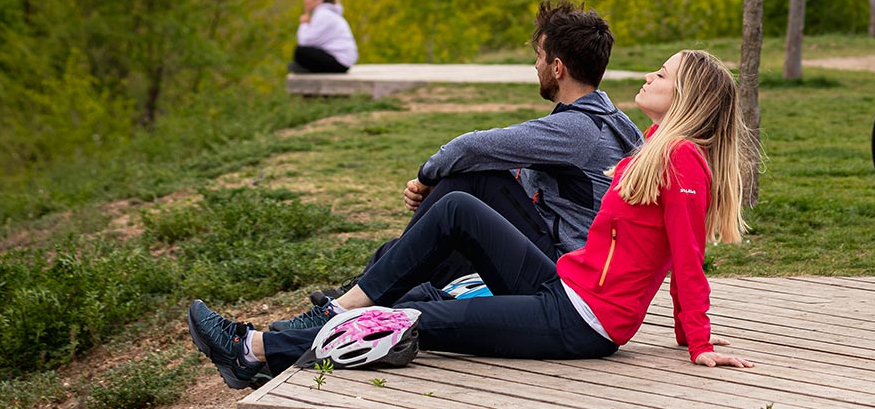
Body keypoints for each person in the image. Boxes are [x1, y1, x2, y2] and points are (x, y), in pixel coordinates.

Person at [186, 49, 755, 387]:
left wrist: (696, 341)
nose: (649, 77)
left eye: (662, 75)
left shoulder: (681, 161)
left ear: (687, 99)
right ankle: (331, 313)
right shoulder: (657, 143)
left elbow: (687, 258)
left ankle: (255, 349)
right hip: (564, 285)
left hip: (586, 323)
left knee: (414, 314)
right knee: (459, 206)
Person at [272, 0, 641, 329]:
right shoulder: (611, 119)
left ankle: (358, 296)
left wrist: (426, 177)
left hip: (562, 274)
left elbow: (472, 146)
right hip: (568, 259)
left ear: (558, 67)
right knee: (460, 206)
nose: (536, 64)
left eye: (540, 56)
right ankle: (360, 292)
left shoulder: (578, 129)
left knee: (472, 183)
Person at [292, 0, 357, 74]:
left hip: (340, 62)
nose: (306, 0)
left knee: (300, 52)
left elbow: (305, 41)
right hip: (342, 60)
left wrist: (304, 24)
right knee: (301, 55)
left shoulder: (323, 15)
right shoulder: (325, 13)